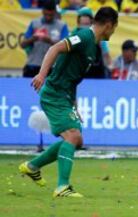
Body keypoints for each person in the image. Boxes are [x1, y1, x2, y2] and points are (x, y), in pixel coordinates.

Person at [18, 7, 118, 198]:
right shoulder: (83, 36)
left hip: (64, 96)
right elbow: (55, 48)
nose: (113, 32)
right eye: (114, 28)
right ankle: (62, 187)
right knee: (72, 136)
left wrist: (75, 106)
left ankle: (32, 166)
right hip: (54, 94)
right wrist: (42, 74)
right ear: (108, 25)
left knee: (76, 139)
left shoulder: (93, 49)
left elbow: (73, 79)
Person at [20, 0, 69, 77]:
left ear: (55, 12)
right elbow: (22, 45)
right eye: (46, 14)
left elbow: (66, 47)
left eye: (51, 15)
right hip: (33, 65)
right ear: (42, 11)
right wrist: (32, 39)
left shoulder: (62, 26)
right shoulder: (34, 23)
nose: (48, 17)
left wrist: (50, 41)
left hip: (53, 67)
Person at [73, 7, 112, 78]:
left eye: (87, 25)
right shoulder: (73, 34)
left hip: (97, 73)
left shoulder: (99, 35)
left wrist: (110, 67)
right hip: (78, 73)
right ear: (78, 24)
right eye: (83, 25)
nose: (85, 29)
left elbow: (106, 54)